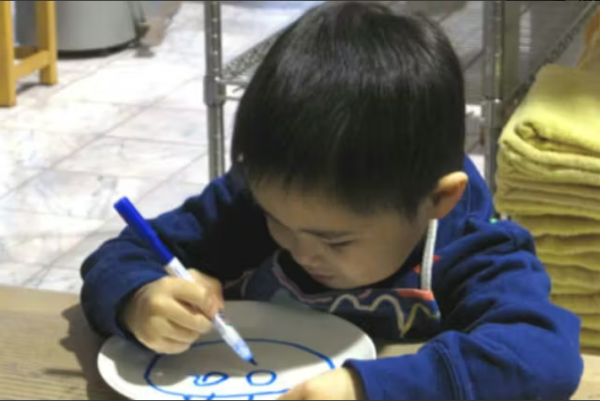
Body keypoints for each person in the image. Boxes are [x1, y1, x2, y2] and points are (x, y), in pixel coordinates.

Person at [80, 2, 583, 400]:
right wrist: (138, 298)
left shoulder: (471, 247)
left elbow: (544, 355)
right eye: (278, 222)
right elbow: (121, 256)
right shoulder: (253, 201)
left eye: (335, 240)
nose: (300, 251)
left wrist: (367, 388)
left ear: (438, 199)